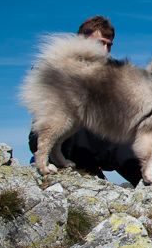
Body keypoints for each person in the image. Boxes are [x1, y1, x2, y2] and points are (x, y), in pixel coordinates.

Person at [28, 15, 142, 185]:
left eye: (108, 45)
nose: (104, 50)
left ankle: (151, 181)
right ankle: (55, 162)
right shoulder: (57, 64)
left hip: (91, 139)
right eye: (100, 43)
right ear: (81, 39)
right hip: (57, 133)